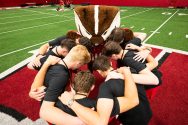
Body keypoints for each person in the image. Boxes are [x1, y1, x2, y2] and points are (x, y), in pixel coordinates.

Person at [59, 55, 159, 125]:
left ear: (98, 71)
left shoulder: (106, 87)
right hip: (146, 111)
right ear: (110, 63)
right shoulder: (130, 70)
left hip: (130, 119)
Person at [29, 45, 91, 125]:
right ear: (78, 63)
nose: (79, 67)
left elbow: (36, 86)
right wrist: (81, 122)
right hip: (55, 110)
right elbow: (45, 111)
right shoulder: (62, 75)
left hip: (51, 97)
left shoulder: (53, 60)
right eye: (81, 64)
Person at [102, 41, 159, 125]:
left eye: (111, 57)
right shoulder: (127, 50)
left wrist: (122, 75)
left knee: (140, 103)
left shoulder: (128, 60)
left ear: (114, 55)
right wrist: (142, 50)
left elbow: (154, 80)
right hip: (145, 79)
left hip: (150, 83)